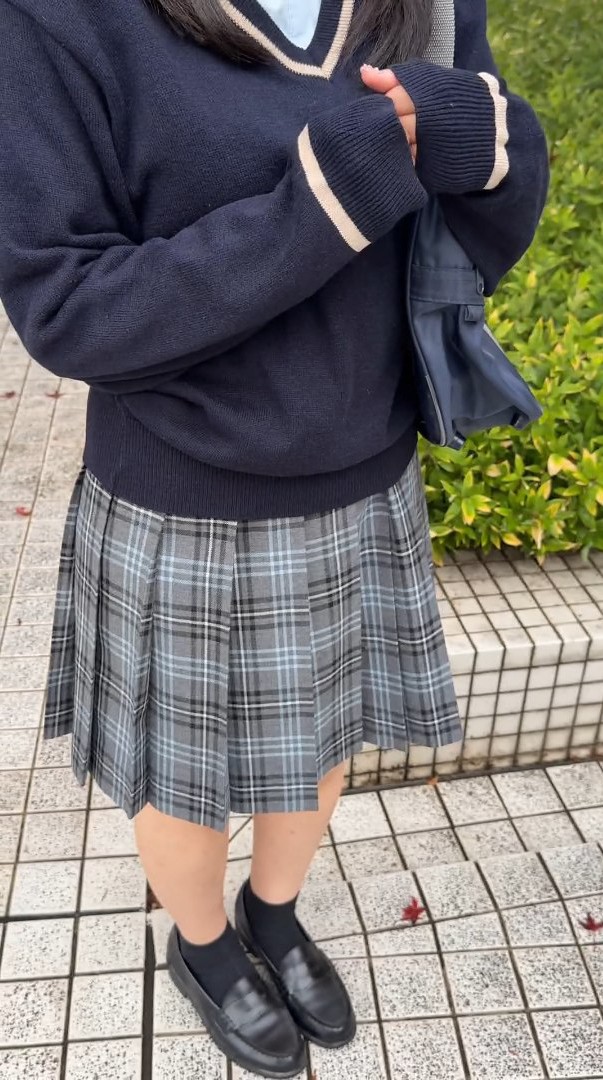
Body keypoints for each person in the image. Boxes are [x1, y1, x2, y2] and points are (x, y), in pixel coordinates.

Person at [0, 0, 548, 1075]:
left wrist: (494, 153)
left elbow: (468, 237)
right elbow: (66, 305)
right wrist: (319, 207)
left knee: (327, 741)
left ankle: (276, 912)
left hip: (367, 465)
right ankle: (204, 947)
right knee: (184, 777)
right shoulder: (57, 18)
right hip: (181, 494)